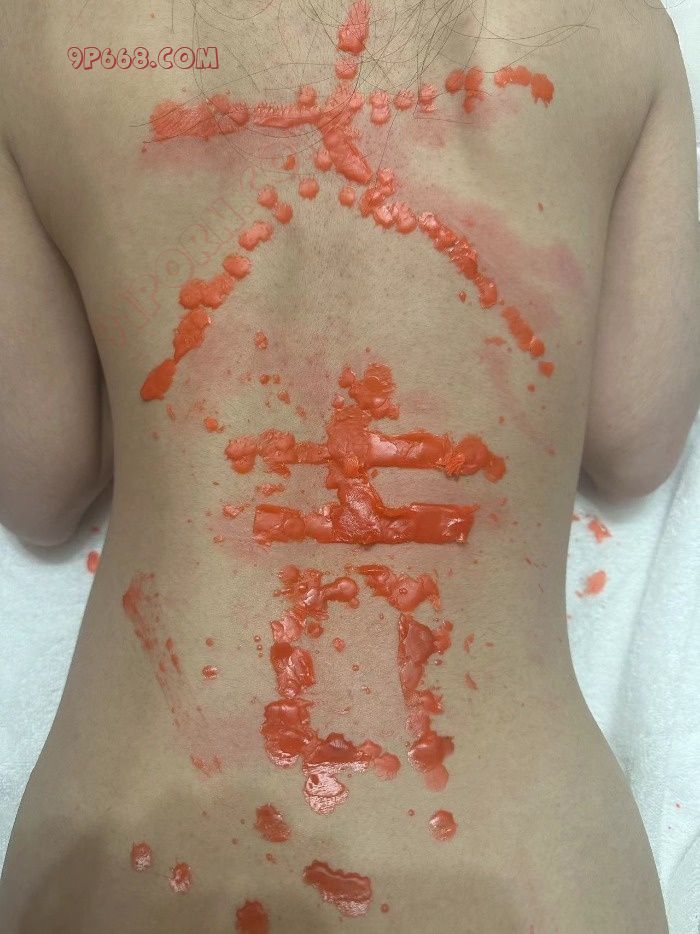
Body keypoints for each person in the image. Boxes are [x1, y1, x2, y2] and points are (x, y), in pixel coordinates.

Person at [0, 0, 697, 931]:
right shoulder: (613, 30)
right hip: (526, 875)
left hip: (126, 856)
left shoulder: (40, 37)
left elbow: (43, 491)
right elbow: (635, 445)